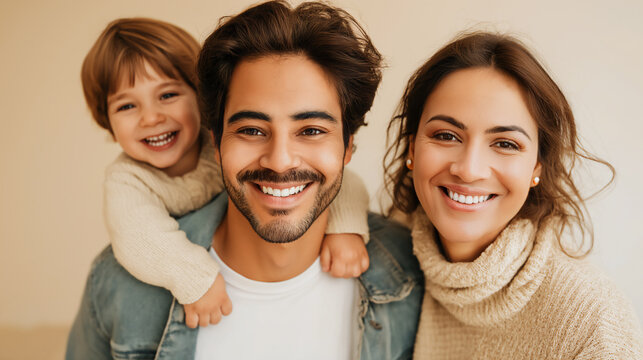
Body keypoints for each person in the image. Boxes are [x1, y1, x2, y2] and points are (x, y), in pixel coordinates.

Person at [66, 1, 423, 359]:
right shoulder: (115, 282)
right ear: (215, 142)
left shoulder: (411, 267)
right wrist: (194, 279)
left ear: (348, 147)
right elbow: (136, 231)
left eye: (311, 130)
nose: (280, 161)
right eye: (251, 130)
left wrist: (347, 226)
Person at [385, 31, 643, 359]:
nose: (469, 169)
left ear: (537, 167)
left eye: (506, 143)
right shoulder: (388, 254)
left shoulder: (592, 319)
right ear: (412, 149)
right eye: (447, 135)